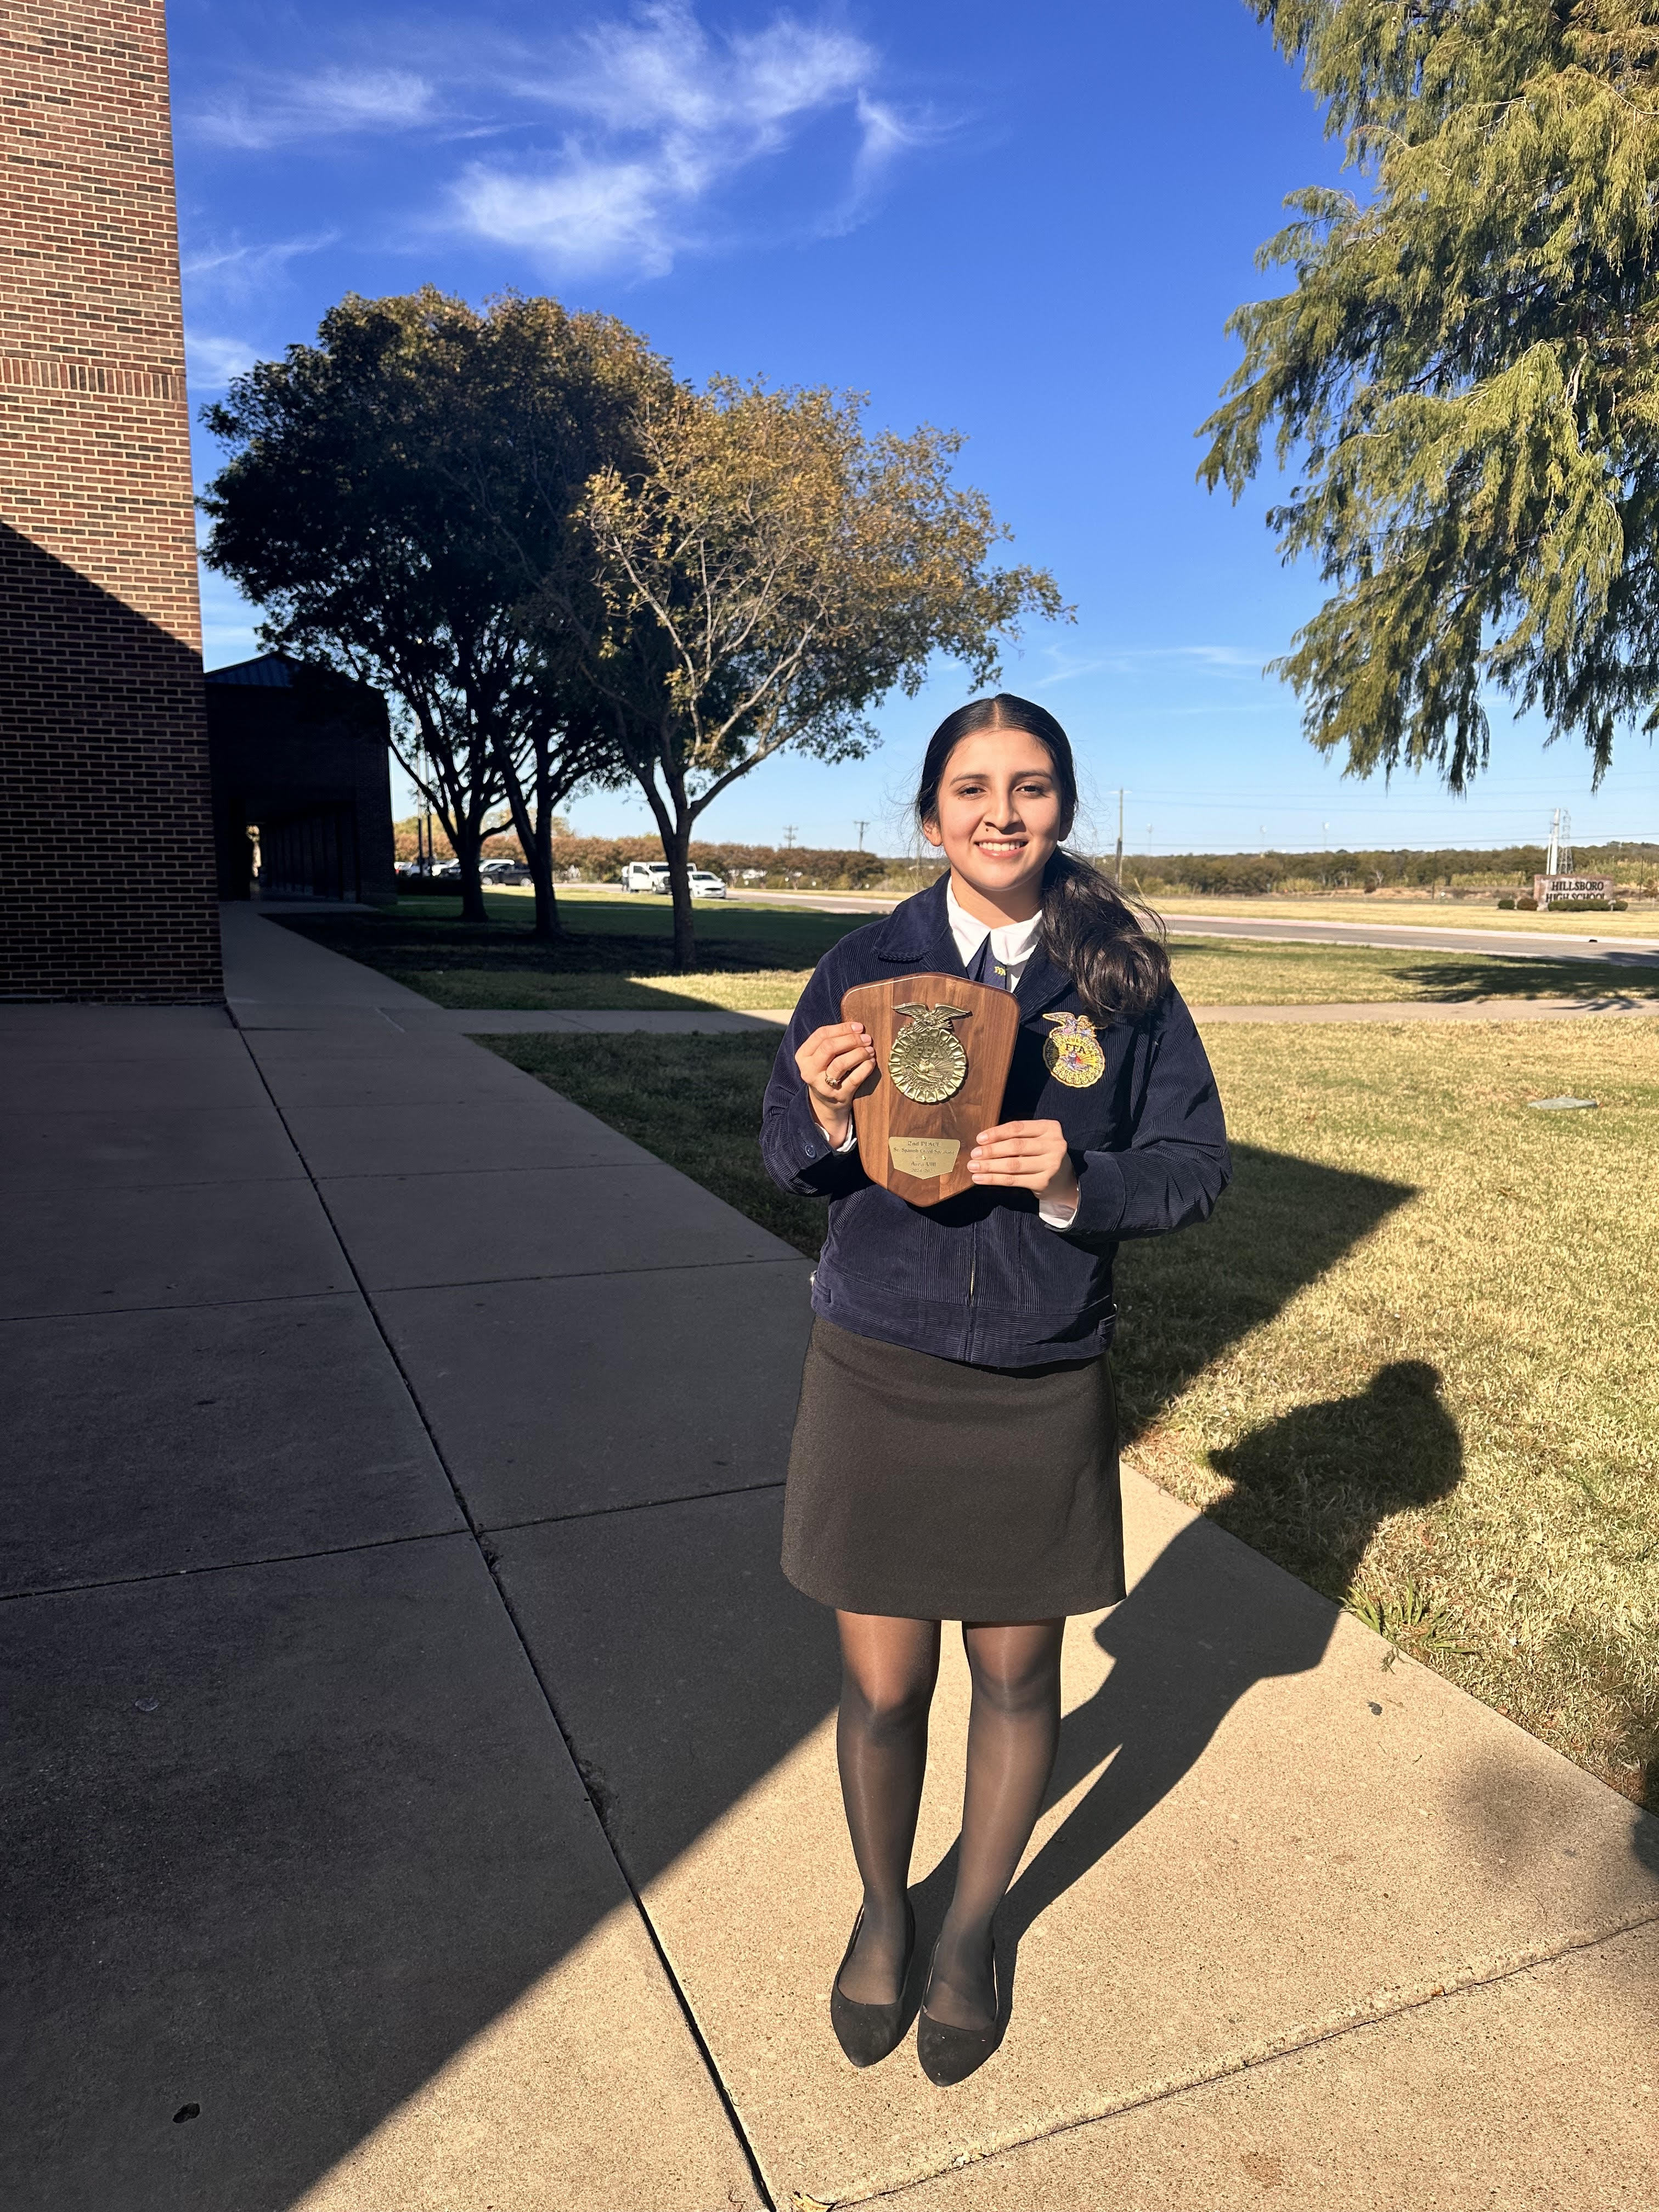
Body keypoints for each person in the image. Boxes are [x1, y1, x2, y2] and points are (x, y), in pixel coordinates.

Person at [759, 692, 1230, 2086]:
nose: (1002, 811)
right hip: (881, 1357)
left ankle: (968, 1933)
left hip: (1037, 1368)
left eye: (1031, 787)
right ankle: (882, 1915)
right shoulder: (863, 963)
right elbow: (785, 1150)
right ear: (929, 815)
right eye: (972, 788)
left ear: (1064, 808)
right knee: (882, 1683)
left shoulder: (1122, 983)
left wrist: (1083, 1183)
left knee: (1017, 1679)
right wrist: (831, 1107)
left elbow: (1198, 1166)